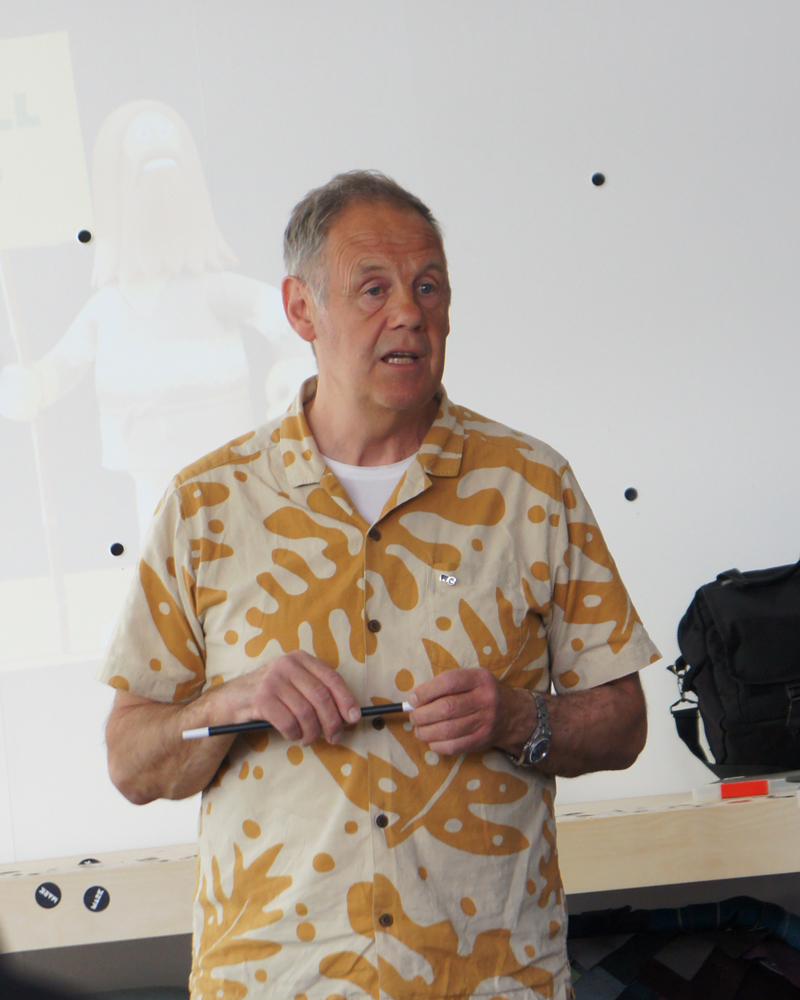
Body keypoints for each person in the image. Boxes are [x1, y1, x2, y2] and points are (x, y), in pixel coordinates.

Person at [100, 171, 659, 1000]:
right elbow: (132, 761)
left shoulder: (531, 488)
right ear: (300, 310)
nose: (409, 313)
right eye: (373, 289)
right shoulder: (206, 505)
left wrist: (518, 717)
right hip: (276, 982)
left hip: (487, 979)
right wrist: (231, 703)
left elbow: (623, 725)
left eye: (428, 286)